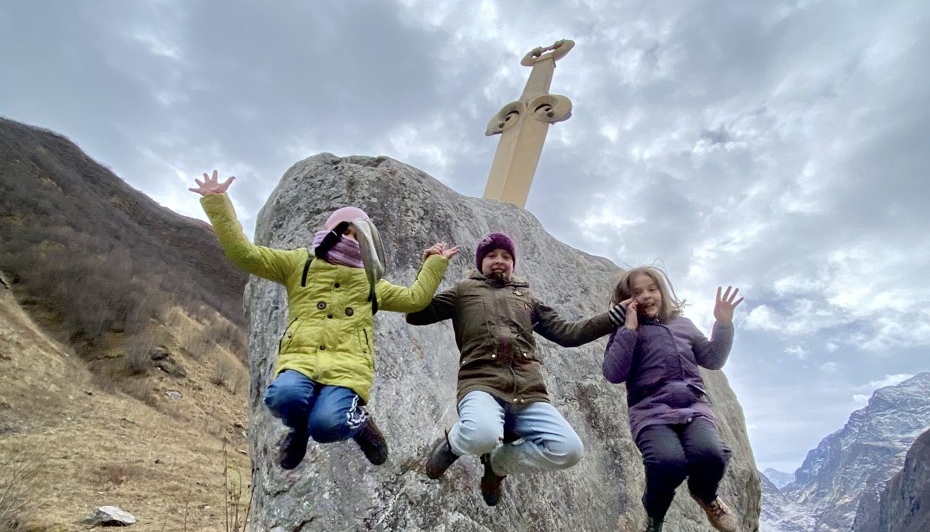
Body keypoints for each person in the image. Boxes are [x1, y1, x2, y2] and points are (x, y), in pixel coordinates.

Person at [190, 171, 458, 469]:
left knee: (328, 425)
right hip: (301, 360)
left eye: (358, 236)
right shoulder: (298, 265)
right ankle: (299, 430)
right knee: (283, 397)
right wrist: (217, 201)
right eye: (344, 231)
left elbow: (414, 300)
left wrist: (434, 263)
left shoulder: (370, 283)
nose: (349, 239)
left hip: (347, 369)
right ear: (330, 231)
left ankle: (359, 423)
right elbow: (245, 255)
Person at [408, 231, 626, 506]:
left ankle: (498, 464)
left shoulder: (528, 298)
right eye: (491, 256)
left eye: (506, 256)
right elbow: (416, 314)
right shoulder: (464, 291)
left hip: (528, 393)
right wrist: (429, 267)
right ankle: (452, 445)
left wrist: (612, 318)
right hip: (481, 385)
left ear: (513, 263)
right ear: (480, 263)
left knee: (570, 450)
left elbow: (568, 334)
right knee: (480, 435)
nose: (499, 261)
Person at [603, 267, 743, 532]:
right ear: (627, 300)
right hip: (650, 413)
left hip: (693, 407)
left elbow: (713, 359)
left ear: (662, 292)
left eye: (651, 289)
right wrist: (628, 329)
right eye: (637, 292)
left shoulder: (683, 325)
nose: (645, 296)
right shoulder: (625, 332)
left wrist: (724, 324)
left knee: (711, 455)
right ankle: (654, 516)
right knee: (667, 462)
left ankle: (706, 495)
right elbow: (613, 373)